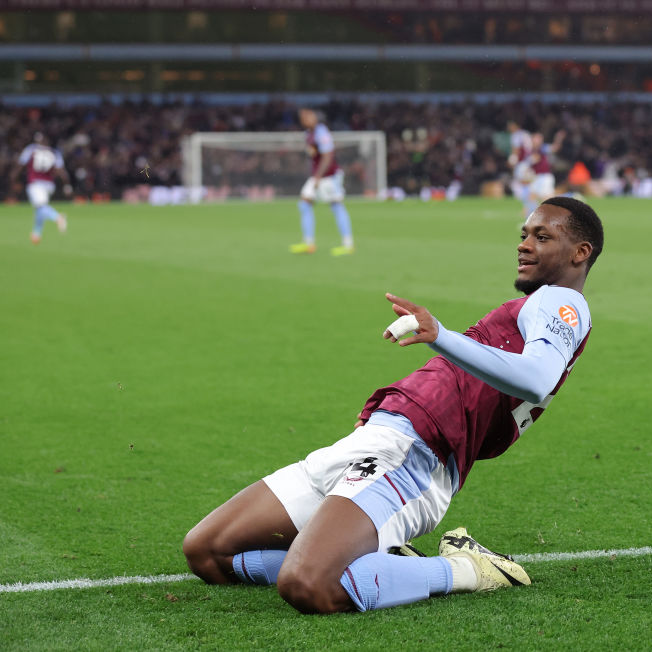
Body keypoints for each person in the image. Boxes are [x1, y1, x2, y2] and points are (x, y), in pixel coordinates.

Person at [183, 196, 604, 614]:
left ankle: (465, 569)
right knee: (206, 552)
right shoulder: (538, 306)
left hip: (415, 456)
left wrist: (439, 334)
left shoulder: (560, 302)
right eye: (525, 234)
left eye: (542, 236)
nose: (524, 244)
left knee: (307, 583)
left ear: (580, 253)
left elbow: (536, 379)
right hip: (378, 437)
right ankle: (381, 563)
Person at [290, 108, 355, 256]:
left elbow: (328, 156)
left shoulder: (321, 132)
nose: (306, 119)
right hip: (318, 175)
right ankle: (309, 243)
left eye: (308, 116)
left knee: (336, 205)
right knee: (304, 203)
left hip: (329, 176)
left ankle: (348, 244)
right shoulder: (308, 134)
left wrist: (318, 177)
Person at [15, 133, 69, 245]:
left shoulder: (31, 149)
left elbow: (20, 164)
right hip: (49, 185)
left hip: (35, 183)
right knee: (39, 208)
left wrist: (15, 179)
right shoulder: (54, 152)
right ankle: (36, 234)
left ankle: (58, 217)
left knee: (41, 207)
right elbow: (61, 171)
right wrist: (67, 185)